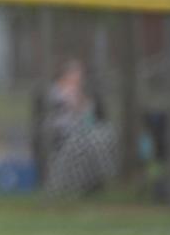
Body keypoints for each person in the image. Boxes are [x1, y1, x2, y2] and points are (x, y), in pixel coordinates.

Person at [41, 58, 115, 196]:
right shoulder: (56, 91)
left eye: (80, 75)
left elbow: (89, 115)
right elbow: (65, 112)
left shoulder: (79, 92)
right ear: (66, 75)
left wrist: (81, 98)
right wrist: (75, 98)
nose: (79, 78)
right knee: (91, 142)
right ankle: (81, 182)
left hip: (82, 131)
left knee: (105, 135)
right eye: (76, 74)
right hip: (62, 132)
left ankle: (96, 179)